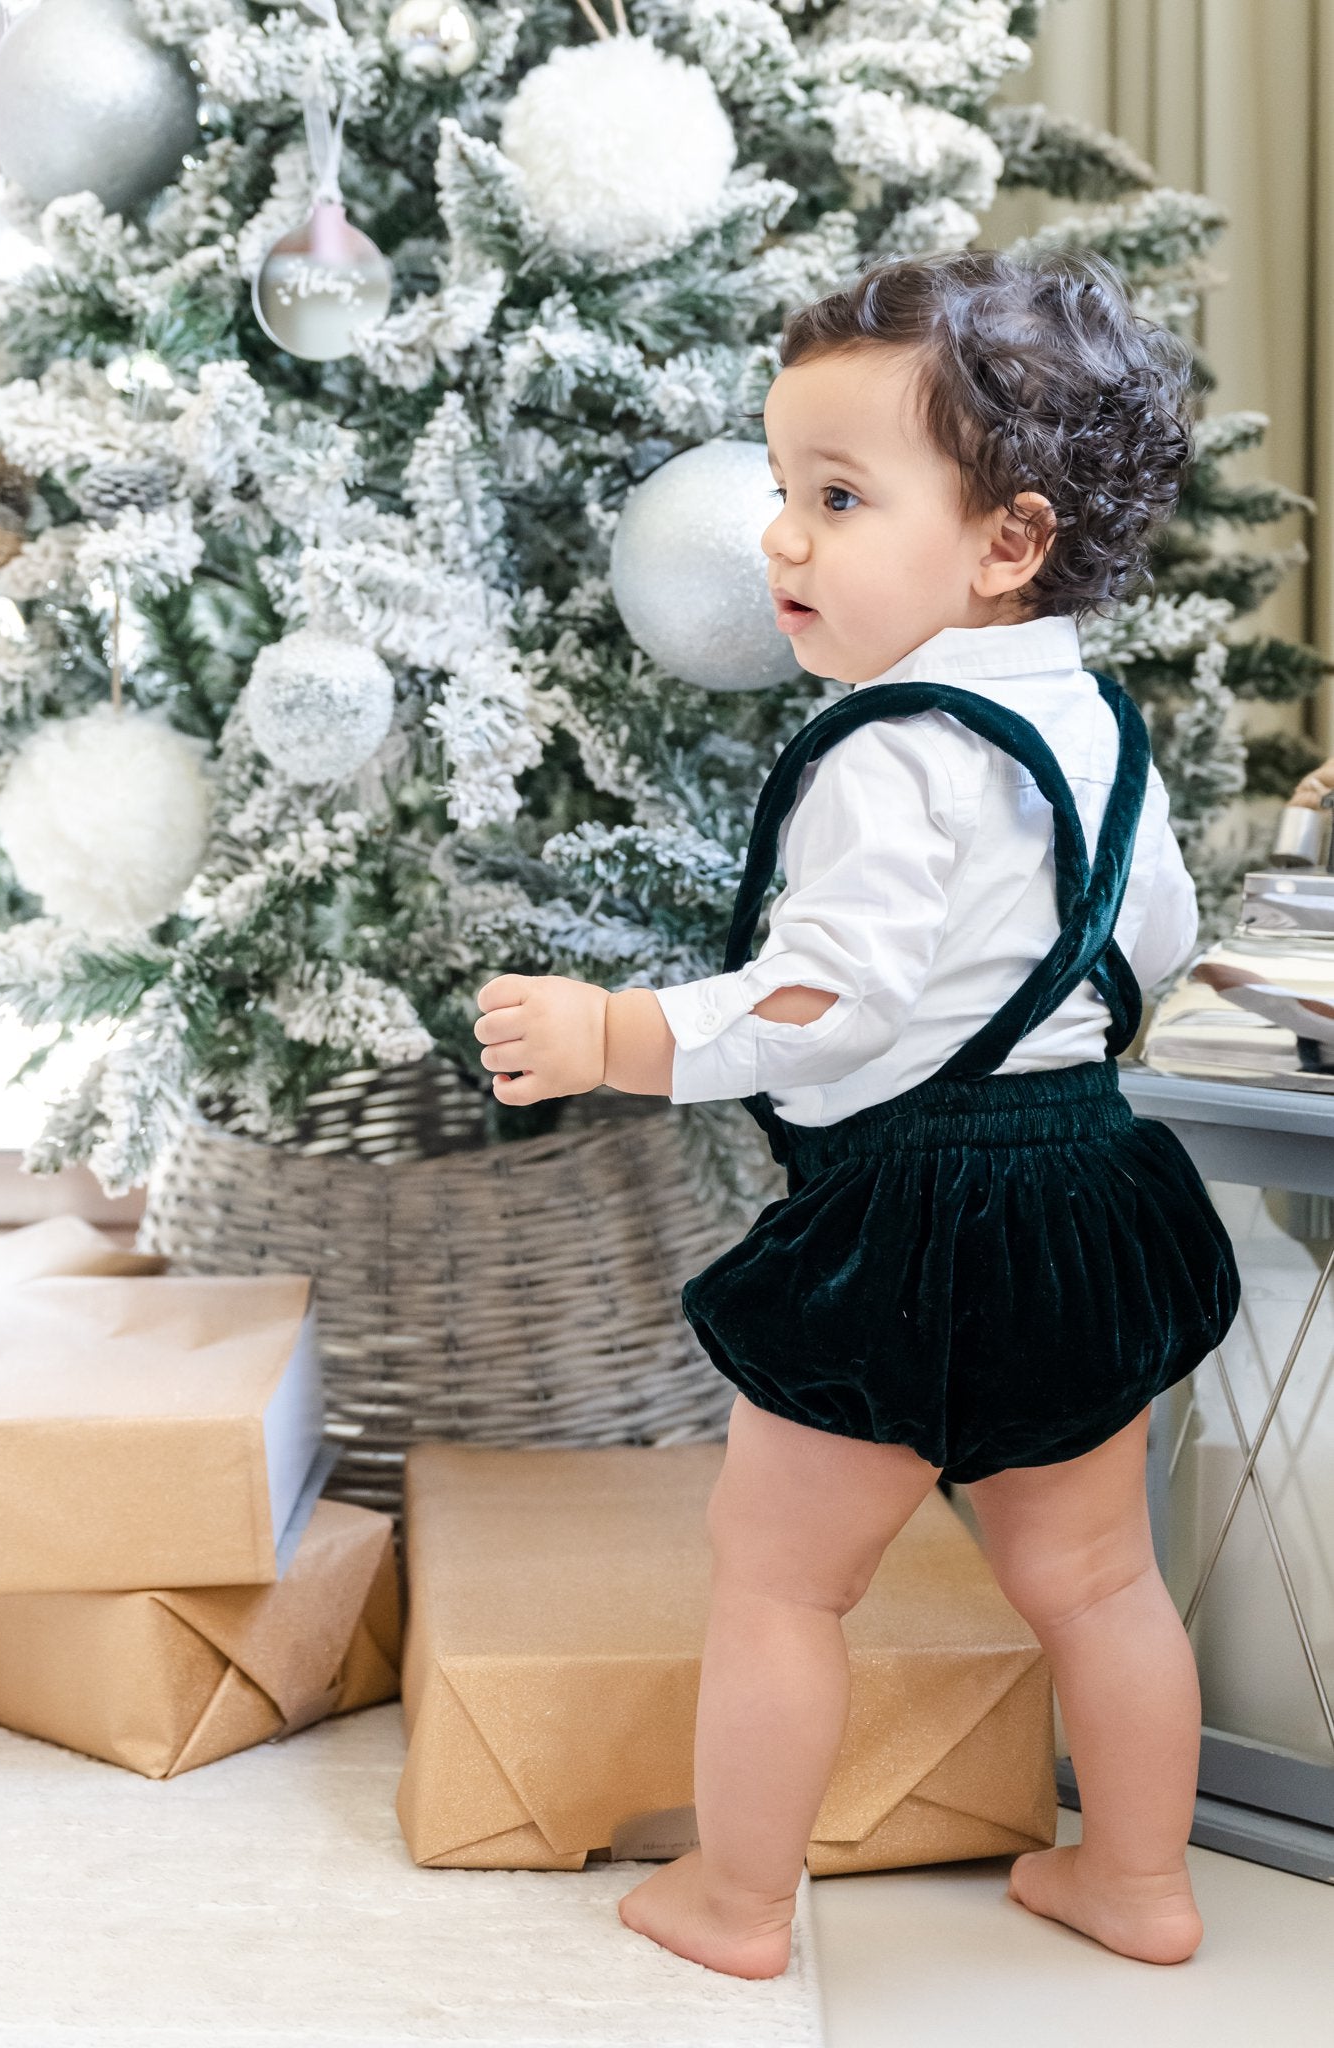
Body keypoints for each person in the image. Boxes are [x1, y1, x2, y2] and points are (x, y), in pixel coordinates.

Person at [471, 248, 1241, 1983]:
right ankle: (1137, 1883)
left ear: (1006, 541)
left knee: (779, 1581)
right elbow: (1158, 934)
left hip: (908, 1225)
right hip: (1084, 1190)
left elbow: (831, 1000)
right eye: (779, 489)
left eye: (835, 497)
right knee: (1098, 1581)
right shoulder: (1097, 721)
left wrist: (621, 1032)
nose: (778, 543)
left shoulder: (889, 748)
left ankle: (736, 1901)